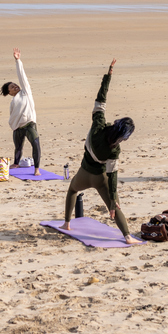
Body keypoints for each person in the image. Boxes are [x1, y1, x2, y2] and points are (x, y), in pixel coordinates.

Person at [63, 60, 136, 245]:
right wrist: (112, 199)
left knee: (72, 189)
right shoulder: (115, 149)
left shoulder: (98, 126)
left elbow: (101, 100)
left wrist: (108, 76)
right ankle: (127, 236)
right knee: (115, 204)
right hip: (101, 178)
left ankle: (67, 223)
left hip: (84, 173)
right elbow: (112, 175)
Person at [1, 48, 42, 175]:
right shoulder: (13, 102)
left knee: (35, 144)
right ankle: (16, 163)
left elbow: (22, 76)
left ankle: (36, 169)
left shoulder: (26, 92)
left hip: (29, 124)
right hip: (18, 127)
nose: (16, 86)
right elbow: (12, 116)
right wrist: (14, 127)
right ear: (10, 93)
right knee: (18, 147)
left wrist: (18, 61)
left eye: (15, 84)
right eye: (12, 87)